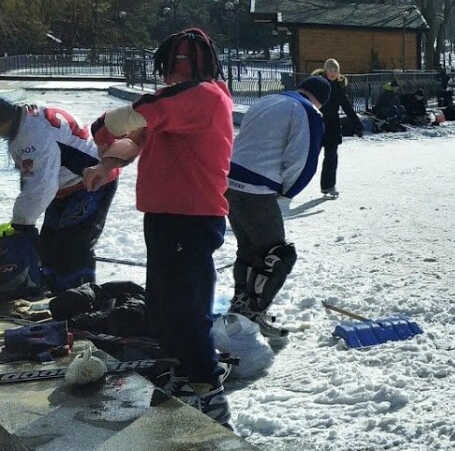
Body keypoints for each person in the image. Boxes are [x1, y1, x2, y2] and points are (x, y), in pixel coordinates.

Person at [82, 28, 235, 425]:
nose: (167, 77)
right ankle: (178, 370)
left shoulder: (203, 96)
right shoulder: (179, 103)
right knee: (164, 305)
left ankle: (206, 386)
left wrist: (102, 126)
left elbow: (137, 112)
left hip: (193, 216)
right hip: (164, 216)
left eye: (172, 68)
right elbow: (135, 140)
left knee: (188, 306)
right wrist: (105, 164)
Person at [226, 76, 327, 342]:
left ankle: (240, 305)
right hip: (257, 188)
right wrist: (288, 190)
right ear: (320, 100)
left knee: (248, 249)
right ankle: (254, 313)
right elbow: (303, 158)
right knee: (278, 255)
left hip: (229, 182)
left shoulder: (268, 100)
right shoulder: (308, 111)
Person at [0, 98, 120, 294]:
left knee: (72, 244)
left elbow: (42, 184)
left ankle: (81, 298)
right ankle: (56, 292)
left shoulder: (33, 135)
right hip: (64, 183)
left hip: (92, 180)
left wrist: (23, 223)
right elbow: (34, 178)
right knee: (48, 244)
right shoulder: (23, 119)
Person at [316, 59, 360, 199]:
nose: (333, 73)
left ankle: (328, 186)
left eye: (335, 70)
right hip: (317, 123)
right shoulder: (318, 85)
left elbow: (347, 107)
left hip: (333, 125)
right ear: (325, 70)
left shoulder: (339, 88)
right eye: (330, 70)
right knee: (308, 157)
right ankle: (289, 184)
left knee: (331, 157)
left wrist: (357, 123)